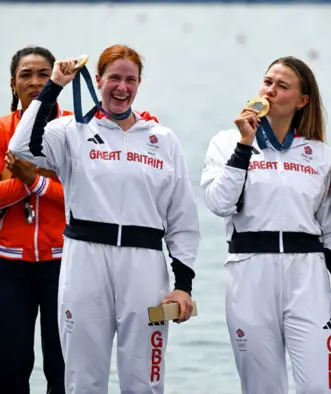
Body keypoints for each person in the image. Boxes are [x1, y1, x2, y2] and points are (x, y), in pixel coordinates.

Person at [7, 44, 201, 394]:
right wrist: (53, 86)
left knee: (144, 380)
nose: (121, 87)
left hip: (145, 267)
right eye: (114, 78)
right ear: (98, 80)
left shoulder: (163, 139)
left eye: (130, 80)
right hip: (85, 261)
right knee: (83, 379)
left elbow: (182, 218)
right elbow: (22, 148)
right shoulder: (70, 129)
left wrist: (183, 283)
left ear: (139, 84)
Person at [200, 56, 331, 394]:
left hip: (306, 277)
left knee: (323, 386)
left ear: (302, 101)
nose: (271, 90)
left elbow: (330, 228)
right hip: (249, 275)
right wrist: (244, 146)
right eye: (267, 82)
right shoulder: (226, 142)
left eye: (282, 85)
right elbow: (220, 204)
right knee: (262, 388)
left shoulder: (321, 154)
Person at [0, 46, 70, 394]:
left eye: (44, 74)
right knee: (11, 364)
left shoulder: (75, 128)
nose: (36, 82)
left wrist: (33, 180)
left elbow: (83, 200)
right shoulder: (1, 130)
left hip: (66, 262)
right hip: (9, 266)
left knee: (62, 365)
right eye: (26, 75)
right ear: (13, 84)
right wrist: (32, 179)